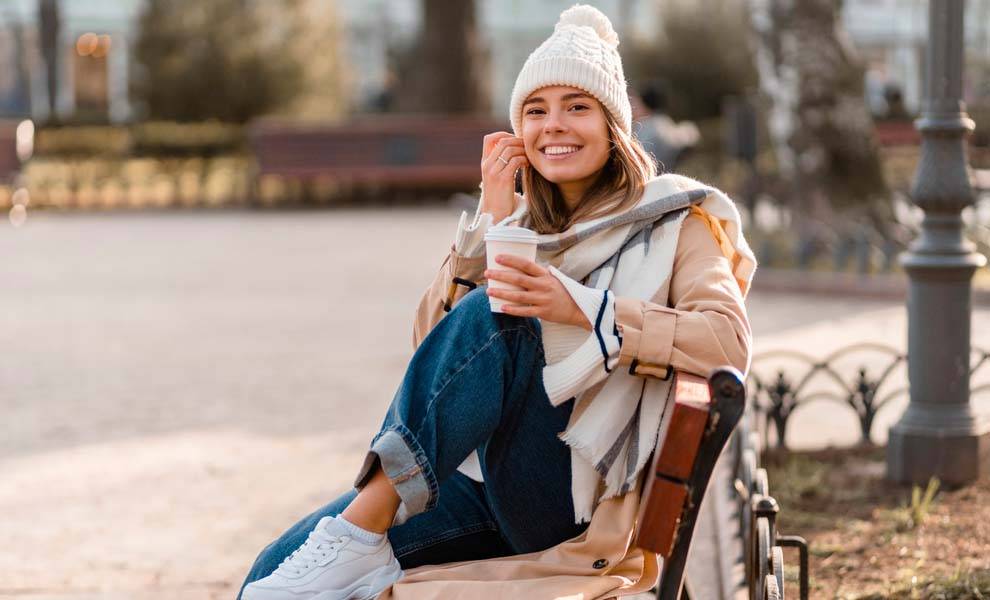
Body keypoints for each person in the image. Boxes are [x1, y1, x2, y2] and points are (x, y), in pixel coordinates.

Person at [239, 5, 755, 599]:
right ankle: (356, 536)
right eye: (536, 111)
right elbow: (433, 358)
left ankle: (359, 533)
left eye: (577, 107)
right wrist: (489, 218)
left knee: (499, 313)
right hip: (479, 483)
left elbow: (727, 342)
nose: (553, 125)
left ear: (614, 125)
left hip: (570, 497)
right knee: (272, 574)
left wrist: (586, 311)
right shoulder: (521, 223)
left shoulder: (675, 222)